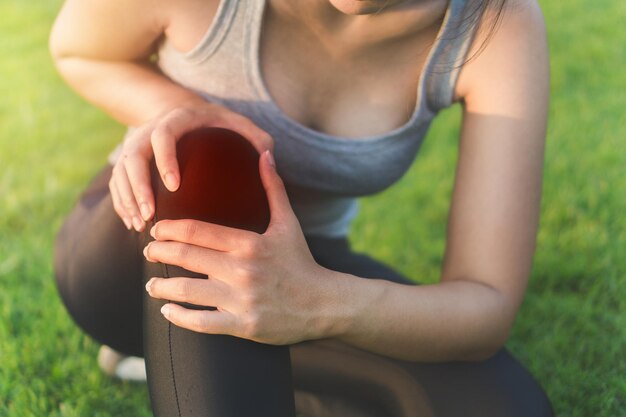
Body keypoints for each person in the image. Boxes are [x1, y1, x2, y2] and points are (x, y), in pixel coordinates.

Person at [50, 0, 554, 415]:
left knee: (503, 404)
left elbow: (484, 304)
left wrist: (320, 302)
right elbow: (78, 50)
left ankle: (274, 380)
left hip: (300, 270)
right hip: (133, 253)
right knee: (211, 150)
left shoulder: (496, 22)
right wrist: (182, 109)